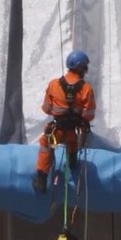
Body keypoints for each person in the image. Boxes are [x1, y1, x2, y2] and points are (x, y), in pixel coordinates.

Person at [33, 51, 96, 194]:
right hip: (73, 133)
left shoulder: (54, 84)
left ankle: (41, 178)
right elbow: (89, 115)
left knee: (46, 145)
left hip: (57, 132)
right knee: (72, 144)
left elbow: (46, 109)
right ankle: (72, 162)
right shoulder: (86, 89)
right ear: (81, 68)